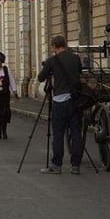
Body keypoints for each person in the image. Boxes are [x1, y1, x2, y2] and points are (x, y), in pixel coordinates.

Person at [37, 35, 83, 174]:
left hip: (59, 101)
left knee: (58, 134)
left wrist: (48, 67)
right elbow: (79, 73)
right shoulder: (75, 58)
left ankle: (57, 165)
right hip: (75, 100)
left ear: (54, 47)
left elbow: (40, 77)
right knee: (76, 133)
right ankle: (76, 166)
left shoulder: (52, 60)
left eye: (52, 47)